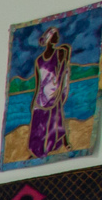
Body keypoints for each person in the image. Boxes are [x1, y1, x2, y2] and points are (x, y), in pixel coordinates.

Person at [29, 27, 72, 161]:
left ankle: (64, 141)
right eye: (55, 36)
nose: (58, 38)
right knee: (39, 120)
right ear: (49, 39)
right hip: (43, 94)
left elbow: (67, 51)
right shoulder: (39, 61)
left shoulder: (59, 53)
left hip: (54, 91)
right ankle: (37, 149)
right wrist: (34, 100)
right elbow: (38, 82)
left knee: (57, 116)